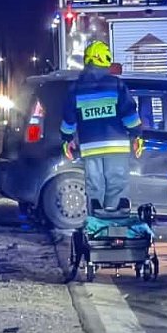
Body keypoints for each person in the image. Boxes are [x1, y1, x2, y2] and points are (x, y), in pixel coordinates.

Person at [60, 41, 142, 214]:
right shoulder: (116, 85)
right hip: (116, 147)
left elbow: (69, 120)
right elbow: (129, 116)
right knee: (117, 185)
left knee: (94, 187)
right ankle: (114, 224)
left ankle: (96, 224)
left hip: (91, 149)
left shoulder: (76, 88)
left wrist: (66, 139)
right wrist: (137, 135)